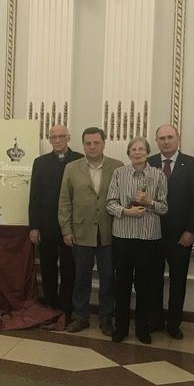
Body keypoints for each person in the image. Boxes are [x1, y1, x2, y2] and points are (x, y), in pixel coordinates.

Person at [58, 127, 123, 336]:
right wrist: (66, 229)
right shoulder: (71, 167)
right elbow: (65, 201)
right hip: (80, 231)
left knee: (107, 278)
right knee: (81, 278)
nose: (92, 147)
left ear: (104, 143)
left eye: (96, 142)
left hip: (109, 232)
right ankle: (80, 316)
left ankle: (106, 318)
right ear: (83, 144)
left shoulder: (117, 167)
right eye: (88, 143)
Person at [107, 136, 168, 344]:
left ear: (148, 152)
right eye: (134, 149)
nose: (138, 152)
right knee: (122, 284)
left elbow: (164, 208)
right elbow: (110, 204)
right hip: (123, 237)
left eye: (142, 149)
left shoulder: (158, 175)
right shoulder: (118, 173)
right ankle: (121, 328)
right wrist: (127, 211)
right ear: (128, 153)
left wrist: (149, 202)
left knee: (145, 286)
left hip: (149, 238)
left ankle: (142, 329)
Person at [148, 124, 194, 339]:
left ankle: (174, 323)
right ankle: (156, 319)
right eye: (161, 138)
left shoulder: (192, 164)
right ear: (157, 141)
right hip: (152, 234)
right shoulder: (149, 163)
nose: (166, 141)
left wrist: (191, 230)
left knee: (178, 281)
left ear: (178, 138)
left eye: (170, 137)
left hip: (181, 235)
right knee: (153, 279)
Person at [28, 124, 83, 319]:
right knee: (48, 267)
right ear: (49, 140)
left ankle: (67, 308)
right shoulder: (40, 162)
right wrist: (34, 226)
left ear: (68, 137)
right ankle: (51, 305)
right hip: (47, 225)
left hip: (72, 226)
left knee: (70, 268)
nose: (57, 140)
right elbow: (34, 196)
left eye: (61, 136)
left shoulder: (79, 160)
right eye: (54, 137)